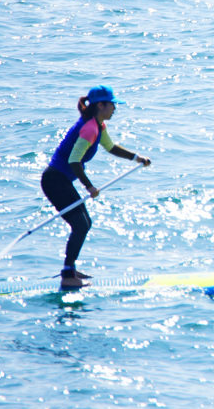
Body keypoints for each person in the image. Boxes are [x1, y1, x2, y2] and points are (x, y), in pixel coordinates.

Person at [41, 85, 151, 290]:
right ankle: (67, 275)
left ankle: (70, 269)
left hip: (61, 180)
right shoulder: (90, 128)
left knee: (85, 223)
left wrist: (136, 158)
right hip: (54, 180)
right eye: (112, 105)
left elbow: (111, 147)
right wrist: (89, 186)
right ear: (101, 105)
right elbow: (74, 161)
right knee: (80, 225)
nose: (115, 109)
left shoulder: (98, 126)